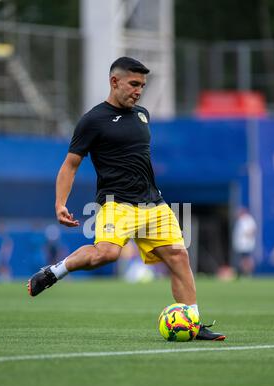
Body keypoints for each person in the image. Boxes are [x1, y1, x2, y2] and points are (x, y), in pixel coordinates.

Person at [27, 56, 225, 341]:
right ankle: (54, 272)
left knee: (179, 256)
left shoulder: (143, 114)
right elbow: (70, 164)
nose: (138, 90)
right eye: (133, 84)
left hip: (152, 204)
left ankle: (193, 323)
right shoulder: (92, 120)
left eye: (142, 85)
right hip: (116, 203)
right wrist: (60, 203)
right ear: (114, 82)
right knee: (106, 254)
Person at [232, 207, 257, 276]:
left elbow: (253, 230)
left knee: (247, 259)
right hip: (240, 245)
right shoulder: (240, 221)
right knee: (242, 259)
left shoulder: (249, 219)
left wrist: (246, 235)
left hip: (247, 244)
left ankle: (248, 273)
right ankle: (243, 273)